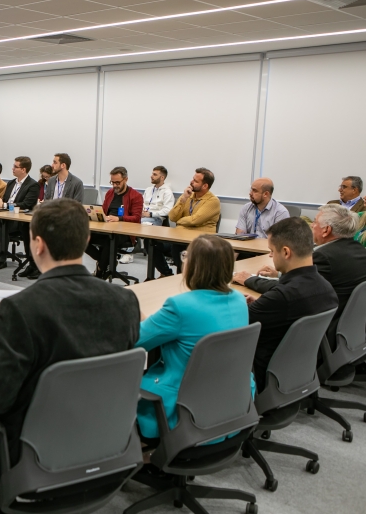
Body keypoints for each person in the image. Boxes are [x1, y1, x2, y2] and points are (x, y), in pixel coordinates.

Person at [0, 199, 141, 514]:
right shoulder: (125, 300)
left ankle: (5, 507)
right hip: (109, 441)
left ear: (37, 244)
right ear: (87, 241)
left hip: (41, 452)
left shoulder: (21, 308)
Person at [136, 235, 253, 444]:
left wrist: (141, 316)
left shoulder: (180, 306)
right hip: (231, 405)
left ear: (196, 266)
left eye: (185, 256)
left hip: (184, 410)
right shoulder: (238, 299)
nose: (183, 260)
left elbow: (135, 340)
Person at [235, 204, 365, 341]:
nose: (312, 226)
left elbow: (296, 290)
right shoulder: (359, 250)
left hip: (321, 335)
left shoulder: (325, 257)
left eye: (315, 221)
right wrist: (278, 278)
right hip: (346, 333)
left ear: (326, 230)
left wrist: (250, 280)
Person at [246, 218, 338, 392]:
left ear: (286, 252)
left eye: (272, 251)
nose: (271, 256)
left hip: (264, 377)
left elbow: (237, 321)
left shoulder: (281, 297)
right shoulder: (326, 288)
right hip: (298, 373)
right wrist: (262, 304)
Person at [85, 167, 143, 279]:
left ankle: (100, 272)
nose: (115, 185)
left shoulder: (136, 196)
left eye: (118, 182)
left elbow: (136, 218)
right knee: (82, 237)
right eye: (112, 182)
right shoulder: (110, 193)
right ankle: (105, 262)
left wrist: (119, 218)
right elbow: (104, 210)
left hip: (125, 233)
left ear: (126, 179)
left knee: (109, 241)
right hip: (106, 228)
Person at [164, 168, 221, 274]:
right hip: (182, 237)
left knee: (178, 248)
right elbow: (172, 217)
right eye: (193, 179)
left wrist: (179, 221)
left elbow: (195, 220)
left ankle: (185, 277)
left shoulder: (213, 201)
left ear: (205, 186)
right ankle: (167, 273)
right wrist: (183, 199)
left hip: (201, 241)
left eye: (196, 181)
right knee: (154, 244)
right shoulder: (187, 195)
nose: (191, 182)